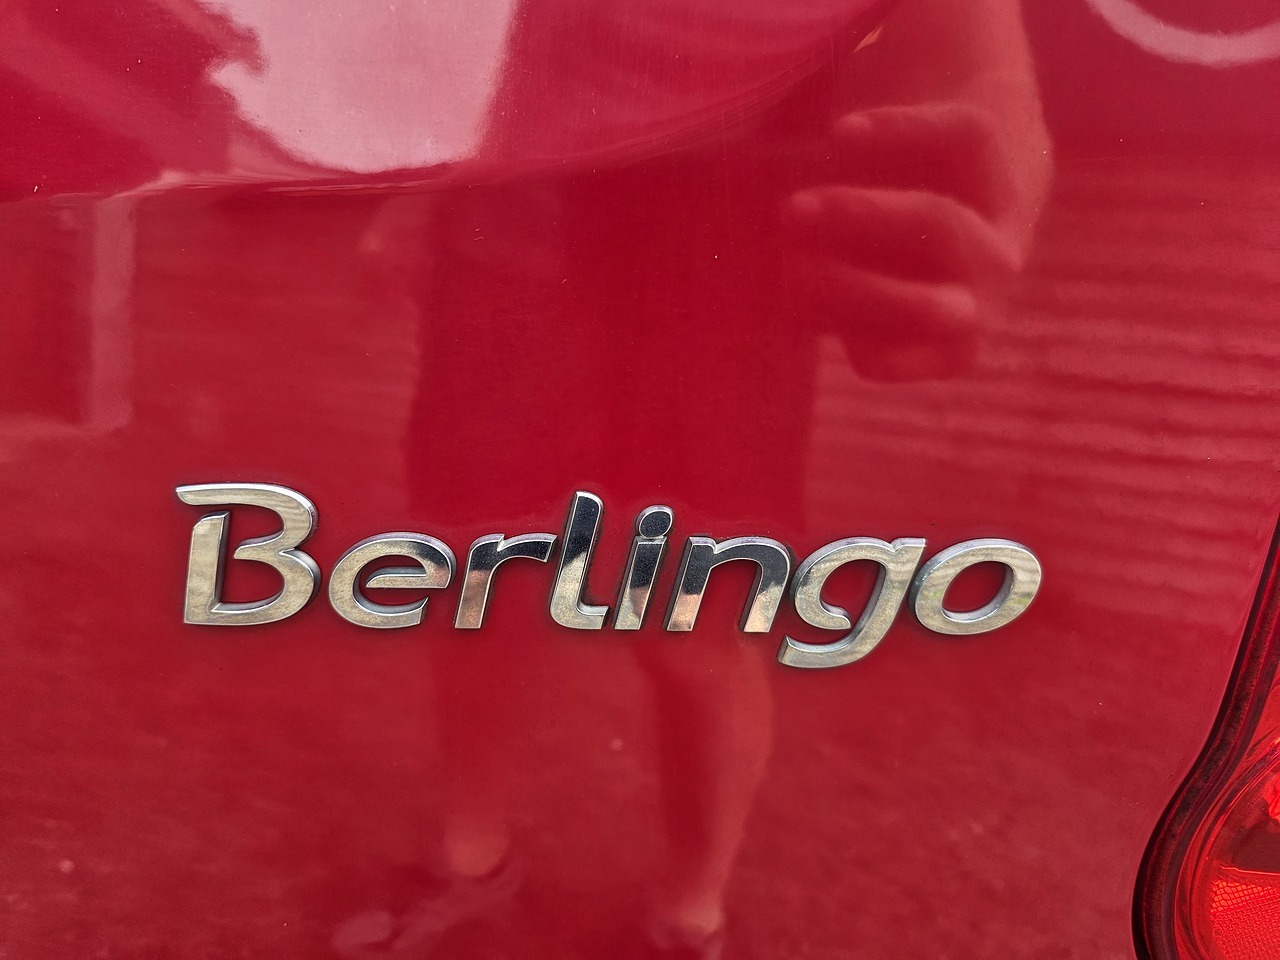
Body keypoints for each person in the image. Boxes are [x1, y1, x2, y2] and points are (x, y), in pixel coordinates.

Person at [335, 0, 1050, 956]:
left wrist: (990, 95)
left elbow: (971, 45)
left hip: (727, 209)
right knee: (484, 565)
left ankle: (688, 916)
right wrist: (420, 185)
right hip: (519, 199)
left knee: (693, 615)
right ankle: (472, 858)